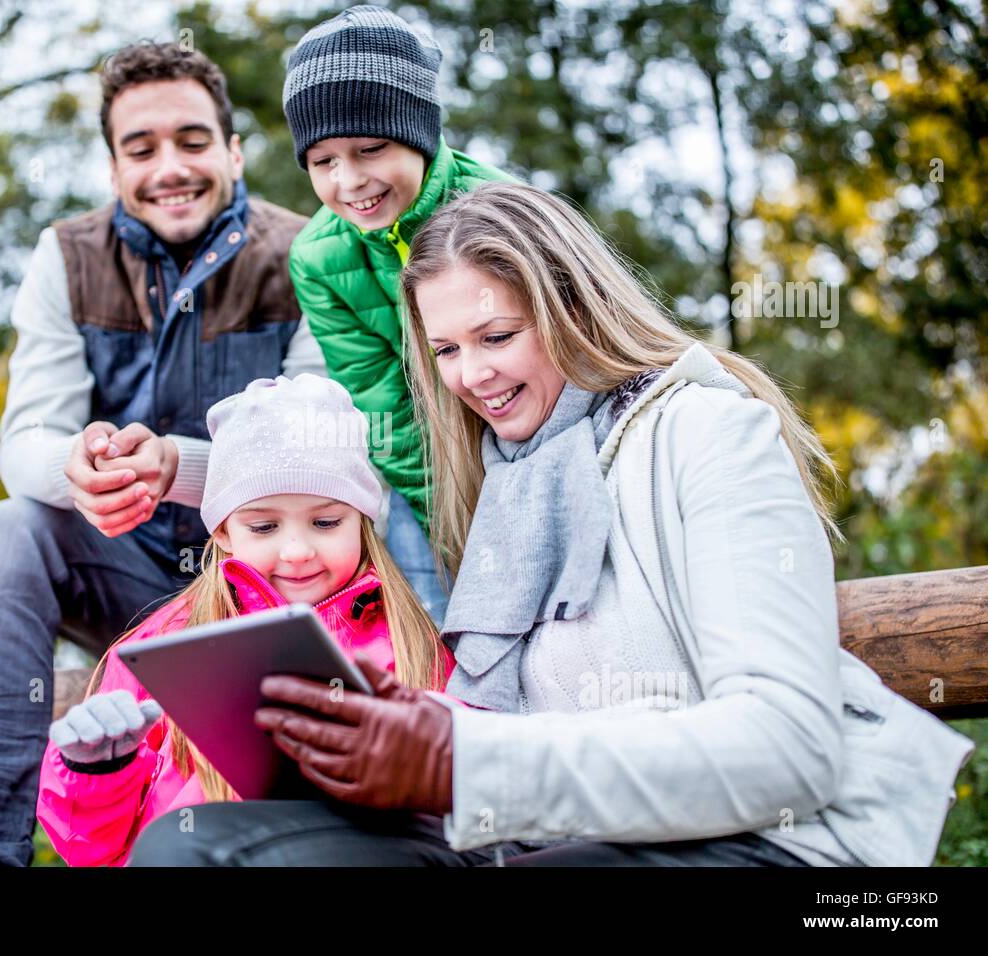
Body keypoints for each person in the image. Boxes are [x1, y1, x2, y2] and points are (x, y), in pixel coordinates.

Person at [126, 182, 974, 867]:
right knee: (199, 850)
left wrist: (461, 759)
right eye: (447, 350)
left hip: (753, 839)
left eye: (496, 335)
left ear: (572, 307)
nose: (472, 375)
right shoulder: (506, 481)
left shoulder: (709, 434)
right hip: (523, 829)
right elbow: (324, 470)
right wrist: (181, 470)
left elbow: (787, 750)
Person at [0, 41, 324, 866]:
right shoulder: (65, 259)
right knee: (5, 528)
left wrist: (176, 468)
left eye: (191, 141)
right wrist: (80, 468)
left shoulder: (304, 255)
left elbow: (320, 453)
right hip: (130, 581)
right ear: (114, 169)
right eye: (139, 149)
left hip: (263, 591)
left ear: (231, 150)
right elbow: (26, 443)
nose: (168, 167)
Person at [36, 374, 456, 865]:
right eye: (264, 526)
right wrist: (98, 770)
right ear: (223, 531)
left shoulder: (410, 644)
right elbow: (93, 849)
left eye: (326, 522)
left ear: (362, 521)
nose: (297, 551)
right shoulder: (169, 642)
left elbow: (455, 802)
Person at [283, 4, 515, 625]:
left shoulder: (503, 209)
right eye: (323, 161)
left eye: (371, 148)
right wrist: (454, 511)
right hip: (428, 471)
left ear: (418, 134)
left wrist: (512, 491)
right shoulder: (317, 258)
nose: (350, 179)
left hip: (528, 439)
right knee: (443, 620)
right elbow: (378, 400)